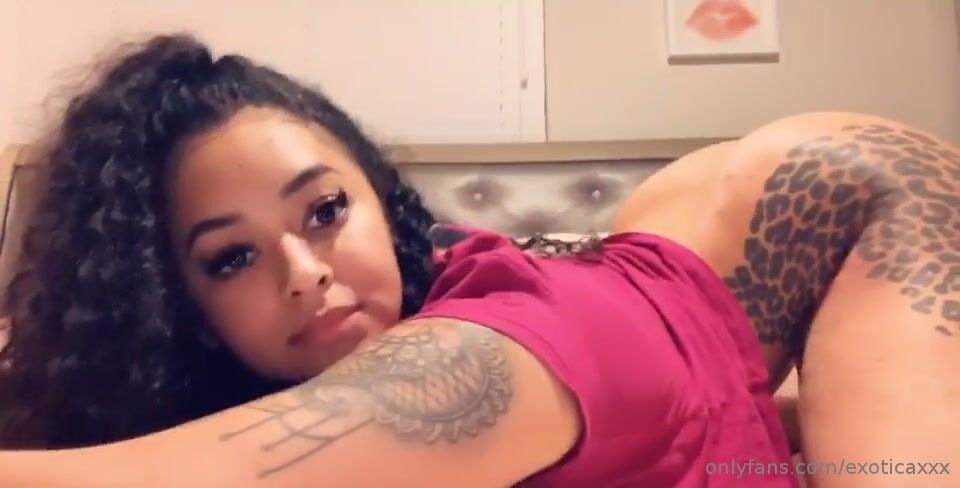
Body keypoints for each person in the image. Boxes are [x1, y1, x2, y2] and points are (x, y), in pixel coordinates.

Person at [0, 33, 958, 487]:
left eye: (326, 210)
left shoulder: (481, 357)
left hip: (871, 197)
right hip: (676, 292)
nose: (302, 270)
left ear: (382, 201)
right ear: (180, 307)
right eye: (231, 257)